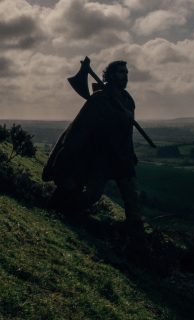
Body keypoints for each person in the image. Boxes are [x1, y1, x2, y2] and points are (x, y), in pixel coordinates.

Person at [43, 60, 144, 238]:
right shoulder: (99, 100)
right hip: (102, 157)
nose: (125, 76)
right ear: (111, 76)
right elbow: (81, 130)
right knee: (92, 195)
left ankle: (135, 236)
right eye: (121, 72)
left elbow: (127, 132)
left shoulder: (128, 101)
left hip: (122, 156)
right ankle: (64, 210)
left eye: (126, 73)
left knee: (132, 197)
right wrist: (67, 158)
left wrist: (131, 153)